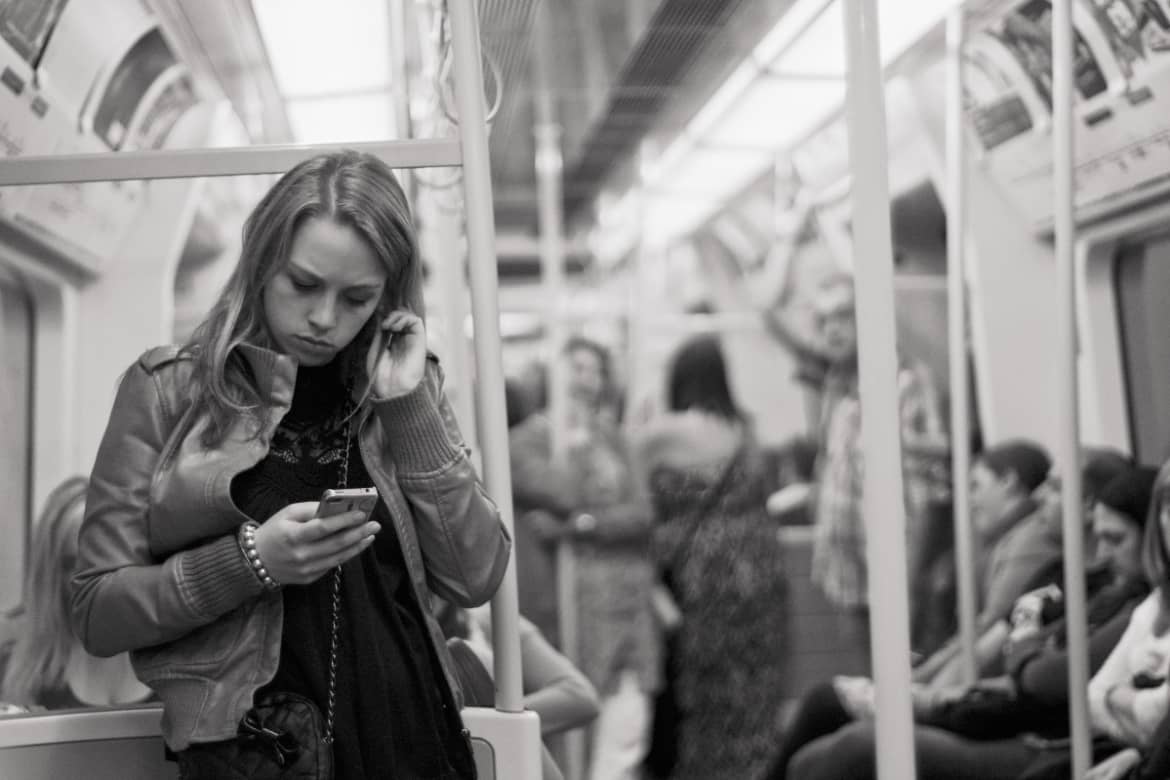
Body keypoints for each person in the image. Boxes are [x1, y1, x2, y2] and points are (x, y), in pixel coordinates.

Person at [69, 151, 511, 780]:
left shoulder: (404, 385)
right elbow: (97, 610)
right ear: (261, 263)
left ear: (388, 297)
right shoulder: (169, 392)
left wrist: (410, 411)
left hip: (413, 732)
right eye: (303, 285)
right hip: (263, 752)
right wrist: (250, 562)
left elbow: (474, 577)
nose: (325, 318)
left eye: (357, 297)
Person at [773, 465, 1158, 780]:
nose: (1042, 495)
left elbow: (1038, 673)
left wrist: (935, 697)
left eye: (1116, 539)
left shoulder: (1126, 601)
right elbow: (999, 638)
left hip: (1033, 736)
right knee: (827, 742)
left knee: (847, 747)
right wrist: (928, 688)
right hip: (994, 709)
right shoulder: (1070, 574)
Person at [763, 270, 950, 636]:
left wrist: (908, 582)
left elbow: (930, 493)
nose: (832, 329)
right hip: (846, 564)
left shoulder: (906, 383)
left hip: (894, 567)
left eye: (844, 316)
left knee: (909, 674)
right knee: (872, 682)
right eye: (824, 320)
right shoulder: (836, 380)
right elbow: (767, 313)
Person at [636, 334, 787, 780]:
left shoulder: (665, 432)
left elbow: (630, 499)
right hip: (762, 571)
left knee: (702, 684)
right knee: (755, 683)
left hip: (702, 578)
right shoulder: (748, 429)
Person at [510, 337, 660, 780]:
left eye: (595, 369)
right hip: (561, 604)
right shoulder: (524, 441)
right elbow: (563, 490)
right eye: (574, 366)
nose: (585, 379)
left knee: (625, 722)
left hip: (624, 599)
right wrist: (574, 442)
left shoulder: (615, 439)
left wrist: (579, 525)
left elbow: (642, 514)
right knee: (569, 722)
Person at [0, 477, 151, 711]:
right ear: (52, 576)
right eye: (72, 564)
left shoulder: (183, 662)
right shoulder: (18, 676)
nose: (89, 580)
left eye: (101, 559)